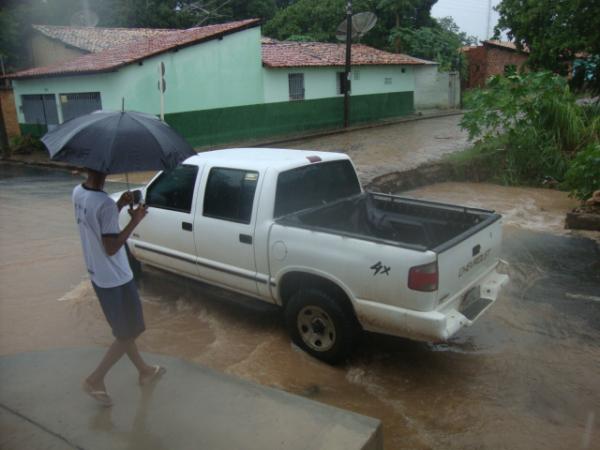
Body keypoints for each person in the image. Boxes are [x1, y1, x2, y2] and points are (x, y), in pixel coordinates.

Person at [73, 169, 165, 407]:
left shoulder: (78, 193)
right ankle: (95, 379)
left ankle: (144, 370)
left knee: (125, 330)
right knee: (130, 331)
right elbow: (112, 246)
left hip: (98, 273)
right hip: (115, 276)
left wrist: (121, 206)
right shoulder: (103, 202)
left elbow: (97, 224)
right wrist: (135, 220)